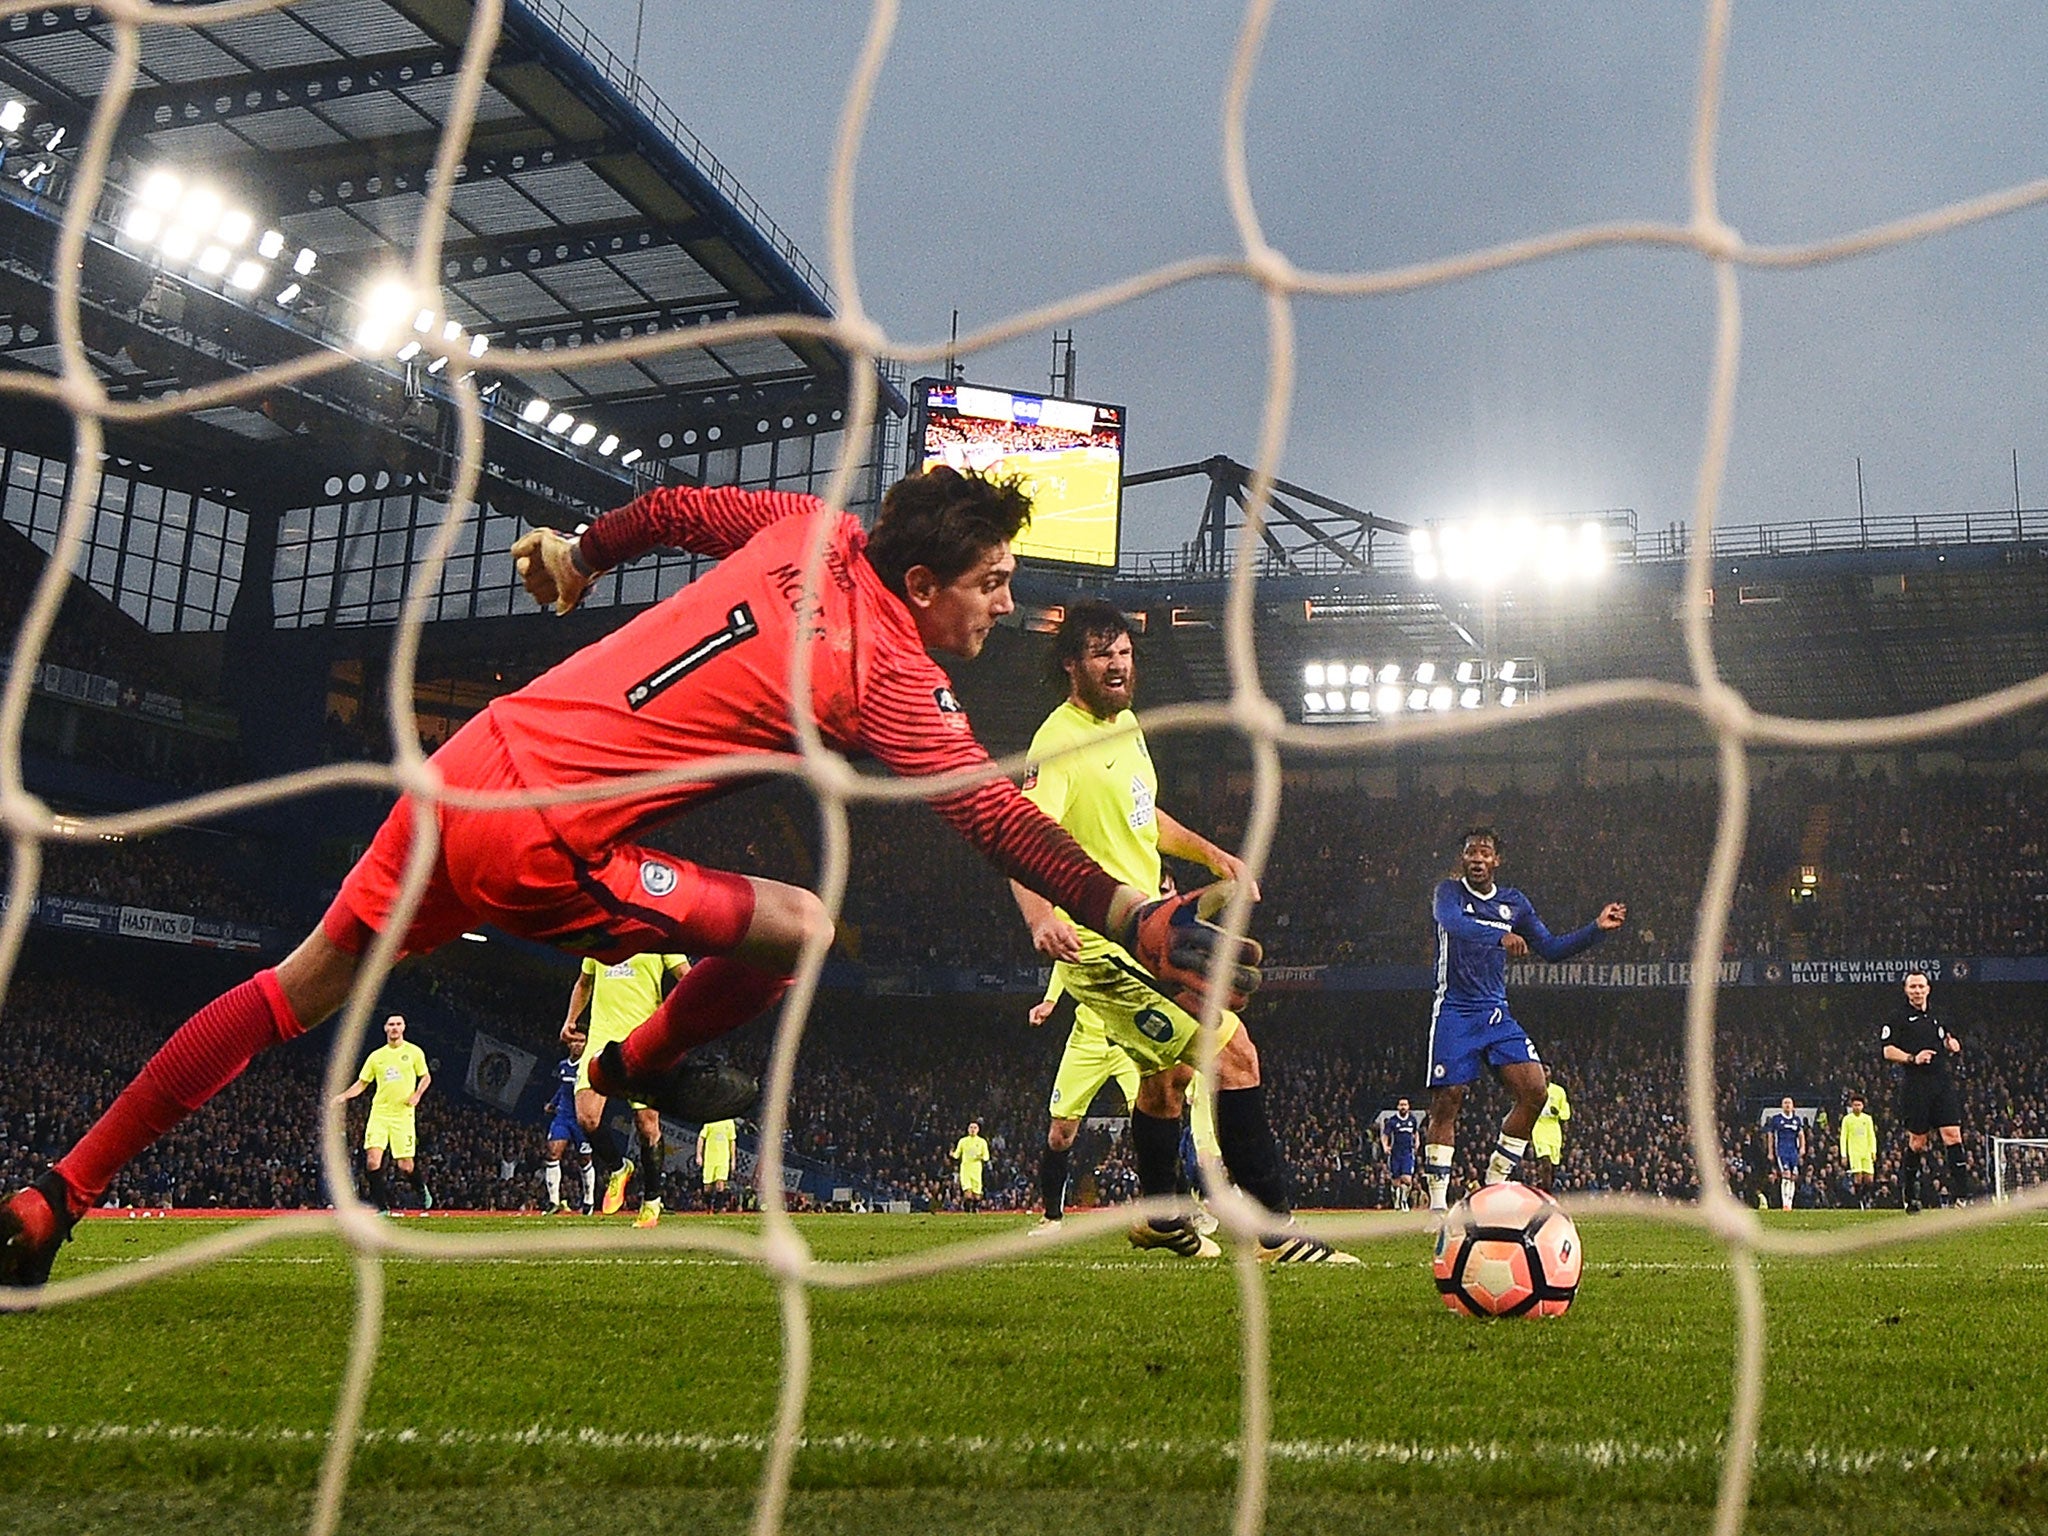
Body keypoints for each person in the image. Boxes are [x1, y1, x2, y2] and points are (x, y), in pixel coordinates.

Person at [2, 468, 1249, 1287]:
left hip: (467, 764)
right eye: (992, 583)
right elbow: (985, 810)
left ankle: (58, 1196)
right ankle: (630, 1068)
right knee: (802, 926)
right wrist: (1129, 909)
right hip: (539, 838)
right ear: (920, 586)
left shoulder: (807, 526)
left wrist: (584, 556)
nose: (1006, 601)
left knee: (301, 984)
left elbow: (673, 507)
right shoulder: (891, 676)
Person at [1008, 599, 1350, 1262]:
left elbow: (1144, 817)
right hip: (1106, 950)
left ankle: (1160, 1216)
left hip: (1149, 936)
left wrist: (1210, 853)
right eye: (1103, 653)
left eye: (1125, 652)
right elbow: (1022, 835)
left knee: (1167, 1083)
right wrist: (1041, 916)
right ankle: (1273, 1230)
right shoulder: (1060, 740)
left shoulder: (1127, 725)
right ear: (1072, 665)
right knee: (1236, 1053)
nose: (1118, 663)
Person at [1420, 826, 1624, 1213]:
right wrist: (1499, 938)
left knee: (1535, 1091)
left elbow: (1550, 948)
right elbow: (1453, 924)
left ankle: (1493, 1186)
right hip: (1454, 1010)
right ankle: (1437, 1207)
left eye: (1484, 853)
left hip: (1495, 1012)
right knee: (1449, 1099)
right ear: (1463, 860)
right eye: (1470, 853)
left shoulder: (1514, 903)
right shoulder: (1448, 893)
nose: (1477, 859)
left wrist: (1595, 930)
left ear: (1497, 861)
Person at [563, 952, 689, 1229]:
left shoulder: (659, 934)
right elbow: (584, 983)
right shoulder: (600, 934)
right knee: (587, 1118)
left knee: (647, 1125)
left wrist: (676, 1019)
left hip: (643, 1040)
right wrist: (571, 1019)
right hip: (601, 1038)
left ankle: (652, 1201)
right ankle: (620, 1168)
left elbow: (687, 978)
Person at [1027, 964, 1139, 1233]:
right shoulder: (1084, 929)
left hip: (1131, 1039)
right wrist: (1050, 1000)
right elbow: (1064, 959)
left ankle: (1184, 1213)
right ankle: (1052, 1217)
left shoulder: (1136, 929)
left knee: (1154, 1125)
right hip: (1086, 1042)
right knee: (1059, 1135)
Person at [1883, 971, 1969, 1211]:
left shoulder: (1938, 1014)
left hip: (1941, 1083)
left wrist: (1951, 1045)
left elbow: (1946, 1037)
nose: (1917, 991)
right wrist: (1913, 1057)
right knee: (1918, 1142)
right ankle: (1910, 1196)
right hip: (1916, 1085)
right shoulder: (1898, 1017)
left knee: (1953, 1135)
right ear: (1906, 990)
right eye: (1913, 987)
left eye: (1921, 986)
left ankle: (1961, 1197)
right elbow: (1887, 1050)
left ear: (1928, 989)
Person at [332, 1014, 433, 1212]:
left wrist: (417, 1094)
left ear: (403, 1027)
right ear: (385, 1028)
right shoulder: (376, 1057)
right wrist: (344, 1096)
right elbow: (362, 1083)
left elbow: (426, 1076)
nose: (394, 1027)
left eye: (398, 1024)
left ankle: (421, 1189)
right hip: (379, 1114)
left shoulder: (414, 1052)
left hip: (403, 1115)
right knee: (372, 1161)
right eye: (391, 1024)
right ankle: (382, 1207)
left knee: (405, 1166)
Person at [541, 1024, 595, 1214]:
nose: (577, 1045)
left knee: (584, 1159)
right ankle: (553, 1201)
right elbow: (563, 1088)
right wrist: (553, 1103)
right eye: (574, 1041)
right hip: (563, 1116)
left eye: (581, 1041)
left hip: (581, 1117)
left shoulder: (590, 1066)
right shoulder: (563, 1065)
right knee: (552, 1153)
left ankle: (588, 1201)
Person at [1528, 1076, 1571, 1193]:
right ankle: (1546, 1193)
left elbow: (1566, 1114)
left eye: (1547, 1070)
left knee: (1552, 1167)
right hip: (1539, 1130)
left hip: (1554, 1133)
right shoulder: (1533, 1090)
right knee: (1545, 1163)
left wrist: (1557, 1113)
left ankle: (1546, 1189)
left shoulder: (1558, 1091)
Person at [1764, 1096, 1806, 1211]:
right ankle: (1785, 1203)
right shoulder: (1777, 1119)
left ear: (1793, 1106)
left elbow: (1801, 1135)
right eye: (1785, 1103)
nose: (1787, 1105)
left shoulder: (1797, 1120)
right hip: (1782, 1151)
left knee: (1793, 1176)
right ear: (1782, 1106)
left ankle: (1790, 1203)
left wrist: (1802, 1148)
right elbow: (1771, 1136)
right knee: (1786, 1174)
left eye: (1789, 1103)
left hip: (1793, 1151)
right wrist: (1770, 1151)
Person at [1380, 1097, 1422, 1210]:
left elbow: (1415, 1132)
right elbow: (1385, 1136)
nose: (1403, 1107)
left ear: (1408, 1107)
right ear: (1398, 1107)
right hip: (1395, 1154)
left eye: (1405, 1105)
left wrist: (1417, 1141)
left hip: (1407, 1153)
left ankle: (1404, 1200)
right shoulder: (1392, 1121)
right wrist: (1385, 1146)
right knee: (1395, 1181)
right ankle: (1396, 1200)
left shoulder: (1412, 1120)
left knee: (1407, 1179)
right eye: (1401, 1105)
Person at [1839, 1092, 1877, 1210]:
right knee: (1858, 1178)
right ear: (1851, 1106)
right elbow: (1843, 1137)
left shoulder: (1867, 1119)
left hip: (1866, 1152)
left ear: (1863, 1106)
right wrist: (1844, 1155)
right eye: (1855, 1105)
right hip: (1854, 1152)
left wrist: (1873, 1151)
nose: (1857, 1107)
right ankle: (1860, 1202)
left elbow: (1871, 1135)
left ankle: (1865, 1198)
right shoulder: (1847, 1119)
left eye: (1859, 1105)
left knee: (1869, 1179)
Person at [697, 1116, 737, 1212]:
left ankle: (717, 1207)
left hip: (723, 1159)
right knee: (707, 1187)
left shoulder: (730, 1122)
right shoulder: (710, 1120)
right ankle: (707, 1206)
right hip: (710, 1159)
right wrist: (699, 1155)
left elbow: (732, 1142)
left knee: (720, 1183)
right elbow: (701, 1138)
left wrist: (733, 1160)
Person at [950, 1120, 991, 1212]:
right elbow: (957, 1155)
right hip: (965, 1169)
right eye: (971, 1127)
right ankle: (967, 1208)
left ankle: (975, 1207)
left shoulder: (982, 1142)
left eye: (975, 1128)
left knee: (977, 1196)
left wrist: (981, 1157)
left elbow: (986, 1157)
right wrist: (952, 1154)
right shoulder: (963, 1141)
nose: (973, 1129)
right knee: (968, 1194)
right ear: (968, 1129)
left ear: (978, 1130)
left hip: (976, 1170)